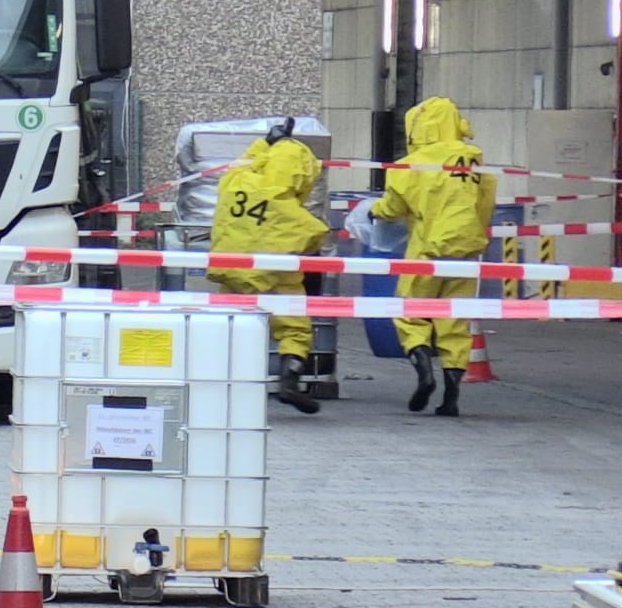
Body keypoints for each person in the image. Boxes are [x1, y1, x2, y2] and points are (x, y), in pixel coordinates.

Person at [356, 96, 497, 417]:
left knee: (410, 312)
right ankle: (451, 396)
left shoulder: (412, 165)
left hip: (427, 252)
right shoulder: (475, 161)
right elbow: (485, 206)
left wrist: (374, 211)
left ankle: (424, 373)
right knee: (455, 321)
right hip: (467, 252)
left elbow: (393, 209)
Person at [207, 120, 328, 414]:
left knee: (227, 328)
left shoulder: (236, 181)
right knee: (295, 330)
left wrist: (266, 142)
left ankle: (221, 384)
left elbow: (242, 163)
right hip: (276, 279)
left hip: (231, 273)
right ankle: (289, 380)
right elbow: (313, 240)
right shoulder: (298, 217)